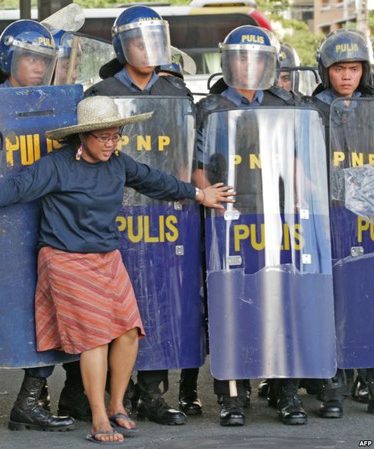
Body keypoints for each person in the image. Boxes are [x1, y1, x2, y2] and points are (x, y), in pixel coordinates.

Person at [0, 95, 233, 443]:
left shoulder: (117, 163)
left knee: (130, 330)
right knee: (96, 338)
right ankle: (99, 418)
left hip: (106, 257)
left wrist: (199, 193)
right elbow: (17, 188)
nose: (111, 143)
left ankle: (117, 406)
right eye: (104, 137)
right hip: (64, 258)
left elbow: (153, 180)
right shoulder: (55, 165)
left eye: (116, 136)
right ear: (82, 136)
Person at [60, 5, 198, 426]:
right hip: (111, 220)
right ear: (121, 47)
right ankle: (87, 396)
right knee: (102, 316)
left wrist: (194, 190)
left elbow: (187, 155)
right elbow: (84, 157)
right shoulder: (99, 93)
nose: (148, 49)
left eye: (155, 39)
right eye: (138, 40)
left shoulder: (176, 93)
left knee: (157, 304)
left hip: (161, 218)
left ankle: (152, 394)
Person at [0, 19, 75, 436]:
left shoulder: (59, 103)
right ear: (9, 58)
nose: (38, 68)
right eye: (29, 58)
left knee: (45, 311)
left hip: (46, 221)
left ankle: (30, 401)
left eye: (45, 60)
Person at [193, 25, 305, 427]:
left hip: (277, 219)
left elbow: (294, 161)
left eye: (257, 58)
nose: (249, 65)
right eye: (241, 57)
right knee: (231, 304)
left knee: (282, 299)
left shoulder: (283, 104)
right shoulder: (209, 108)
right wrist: (214, 208)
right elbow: (198, 169)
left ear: (268, 64)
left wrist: (298, 199)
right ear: (228, 62)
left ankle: (286, 391)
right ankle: (232, 397)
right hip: (230, 218)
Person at [310, 28, 374, 420]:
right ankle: (330, 386)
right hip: (327, 212)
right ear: (325, 70)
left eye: (354, 68)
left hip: (367, 215)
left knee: (366, 296)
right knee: (329, 301)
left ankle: (368, 378)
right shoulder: (310, 108)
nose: (347, 76)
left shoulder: (372, 107)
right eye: (339, 69)